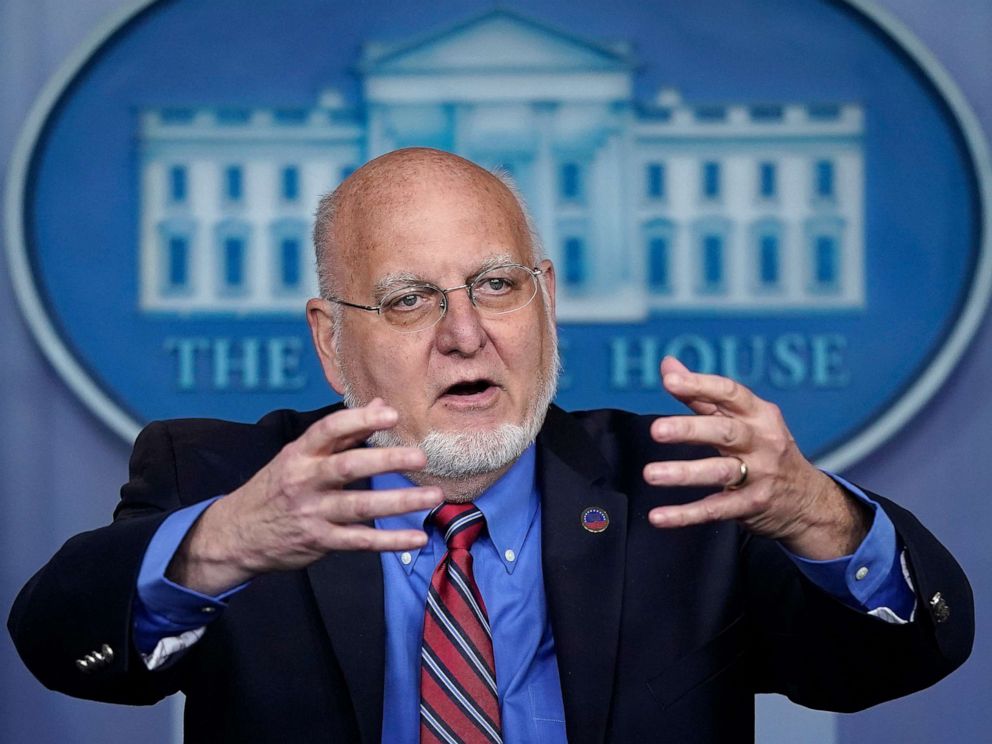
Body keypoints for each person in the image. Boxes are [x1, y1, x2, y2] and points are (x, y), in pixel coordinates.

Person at [9, 148, 972, 743]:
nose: (465, 333)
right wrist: (218, 545)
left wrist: (818, 514)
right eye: (407, 299)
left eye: (498, 286)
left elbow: (899, 658)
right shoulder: (224, 482)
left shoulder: (679, 489)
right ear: (328, 339)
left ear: (547, 300)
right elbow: (57, 644)